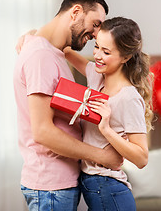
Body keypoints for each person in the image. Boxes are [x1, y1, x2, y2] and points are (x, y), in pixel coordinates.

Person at [13, 0, 123, 211]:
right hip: (51, 185)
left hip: (57, 184)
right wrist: (102, 156)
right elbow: (43, 131)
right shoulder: (41, 56)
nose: (95, 35)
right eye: (95, 24)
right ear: (75, 12)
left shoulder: (52, 52)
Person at [64, 17, 154, 211]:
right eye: (96, 47)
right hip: (94, 186)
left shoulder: (128, 97)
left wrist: (106, 130)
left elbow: (141, 158)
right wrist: (33, 37)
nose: (97, 55)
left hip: (109, 188)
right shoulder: (97, 76)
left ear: (125, 57)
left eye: (106, 52)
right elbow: (65, 50)